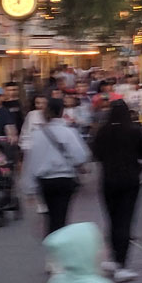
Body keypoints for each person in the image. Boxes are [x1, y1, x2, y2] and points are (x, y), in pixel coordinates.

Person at [91, 100, 142, 283]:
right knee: (125, 221)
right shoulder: (134, 131)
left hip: (108, 181)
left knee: (112, 219)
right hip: (130, 181)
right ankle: (122, 264)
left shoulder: (102, 132)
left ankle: (112, 258)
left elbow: (96, 155)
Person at [29, 97, 91, 237]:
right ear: (62, 112)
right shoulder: (69, 132)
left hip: (45, 180)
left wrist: (30, 186)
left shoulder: (37, 134)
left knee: (50, 213)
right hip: (65, 179)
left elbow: (32, 160)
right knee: (62, 215)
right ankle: (60, 242)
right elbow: (81, 156)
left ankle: (52, 241)